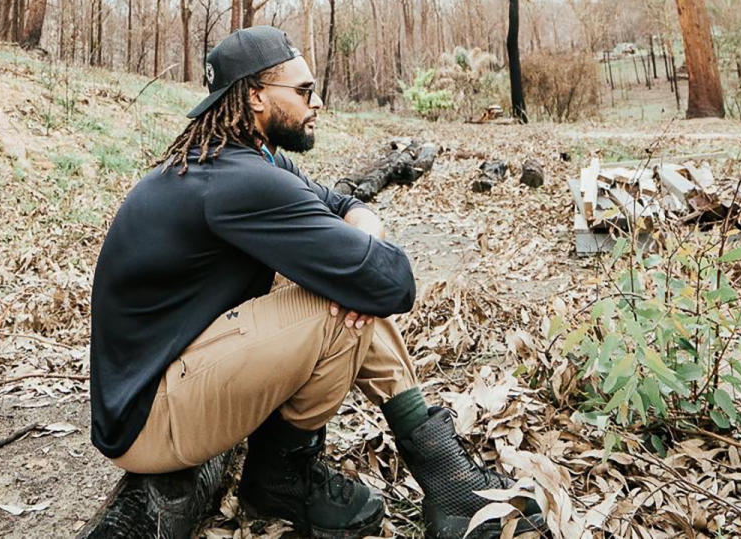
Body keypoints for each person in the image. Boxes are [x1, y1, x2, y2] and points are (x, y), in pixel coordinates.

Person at [89, 26, 545, 539]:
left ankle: (446, 478)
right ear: (256, 94)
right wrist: (361, 253)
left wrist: (362, 230)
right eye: (303, 91)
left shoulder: (246, 156)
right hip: (149, 420)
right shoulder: (238, 181)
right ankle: (286, 478)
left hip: (172, 378)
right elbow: (391, 281)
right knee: (340, 305)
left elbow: (346, 205)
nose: (319, 102)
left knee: (344, 284)